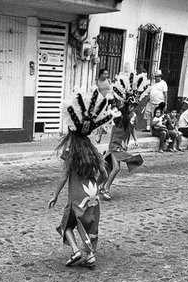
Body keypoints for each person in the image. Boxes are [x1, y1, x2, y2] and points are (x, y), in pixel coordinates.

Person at [48, 90, 111, 270]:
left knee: (66, 226)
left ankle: (76, 251)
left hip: (76, 198)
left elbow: (63, 176)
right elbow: (104, 174)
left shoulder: (70, 152)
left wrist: (55, 196)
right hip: (93, 197)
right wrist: (97, 187)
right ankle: (90, 255)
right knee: (89, 226)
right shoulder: (93, 151)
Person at [103, 72, 149, 200]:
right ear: (126, 104)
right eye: (131, 105)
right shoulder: (118, 115)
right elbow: (111, 128)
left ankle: (102, 186)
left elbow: (131, 129)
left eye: (134, 106)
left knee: (110, 167)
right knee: (116, 168)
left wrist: (135, 140)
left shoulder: (132, 116)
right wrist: (109, 144)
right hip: (114, 145)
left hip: (121, 145)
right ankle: (106, 189)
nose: (132, 108)